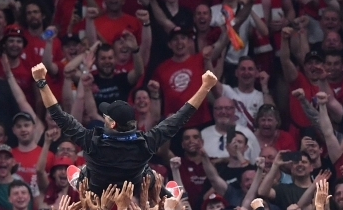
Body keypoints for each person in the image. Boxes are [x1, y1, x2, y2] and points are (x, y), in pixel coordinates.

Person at [31, 63, 217, 192]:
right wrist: (205, 87)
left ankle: (79, 181)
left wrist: (41, 81)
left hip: (97, 189)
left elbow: (58, 114)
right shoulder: (146, 142)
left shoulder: (93, 141)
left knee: (85, 172)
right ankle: (164, 196)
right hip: (133, 188)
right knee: (150, 175)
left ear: (112, 123)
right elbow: (181, 116)